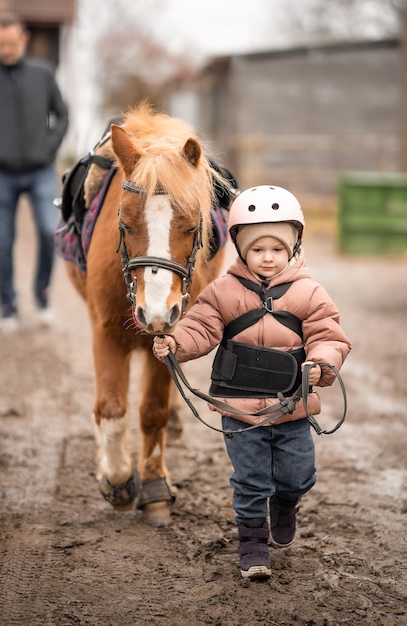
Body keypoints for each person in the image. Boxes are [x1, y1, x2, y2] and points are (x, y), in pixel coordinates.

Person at [153, 184, 351, 580]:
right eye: (258, 249)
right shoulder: (222, 291)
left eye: (277, 249)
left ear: (294, 247)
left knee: (298, 474)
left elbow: (328, 336)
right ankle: (253, 546)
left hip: (291, 406)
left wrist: (321, 364)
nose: (268, 258)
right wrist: (176, 342)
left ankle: (286, 502)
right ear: (241, 248)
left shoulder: (309, 293)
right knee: (249, 479)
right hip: (238, 408)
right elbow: (202, 327)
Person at [0, 10, 68, 331]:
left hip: (40, 171)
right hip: (3, 174)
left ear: (23, 39)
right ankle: (7, 307)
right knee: (4, 241)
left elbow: (62, 116)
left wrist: (48, 149)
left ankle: (42, 296)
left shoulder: (43, 74)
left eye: (11, 43)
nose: (6, 50)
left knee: (49, 233)